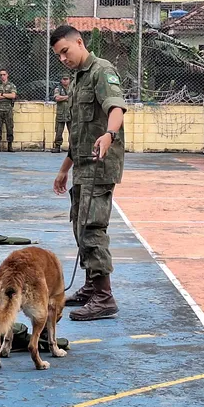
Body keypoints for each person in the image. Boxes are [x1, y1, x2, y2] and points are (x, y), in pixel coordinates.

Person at [50, 25, 127, 322]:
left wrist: (109, 134)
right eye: (59, 56)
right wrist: (63, 170)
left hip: (100, 165)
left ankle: (104, 298)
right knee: (79, 225)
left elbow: (116, 107)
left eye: (65, 52)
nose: (63, 59)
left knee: (92, 227)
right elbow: (78, 133)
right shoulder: (78, 79)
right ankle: (91, 286)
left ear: (79, 43)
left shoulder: (101, 71)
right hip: (82, 164)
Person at [0, 68, 17, 152]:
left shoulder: (11, 85)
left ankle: (10, 146)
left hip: (8, 109)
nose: (2, 76)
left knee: (9, 127)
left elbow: (13, 96)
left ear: (7, 75)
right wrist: (6, 95)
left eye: (4, 74)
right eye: (1, 75)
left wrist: (1, 94)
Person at [52, 74, 71, 153]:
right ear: (61, 80)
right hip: (61, 114)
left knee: (73, 132)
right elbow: (57, 98)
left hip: (71, 113)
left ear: (69, 80)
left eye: (67, 79)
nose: (65, 81)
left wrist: (62, 97)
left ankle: (72, 147)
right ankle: (57, 146)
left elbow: (76, 97)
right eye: (64, 79)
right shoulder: (58, 89)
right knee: (59, 132)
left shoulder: (73, 88)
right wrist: (68, 97)